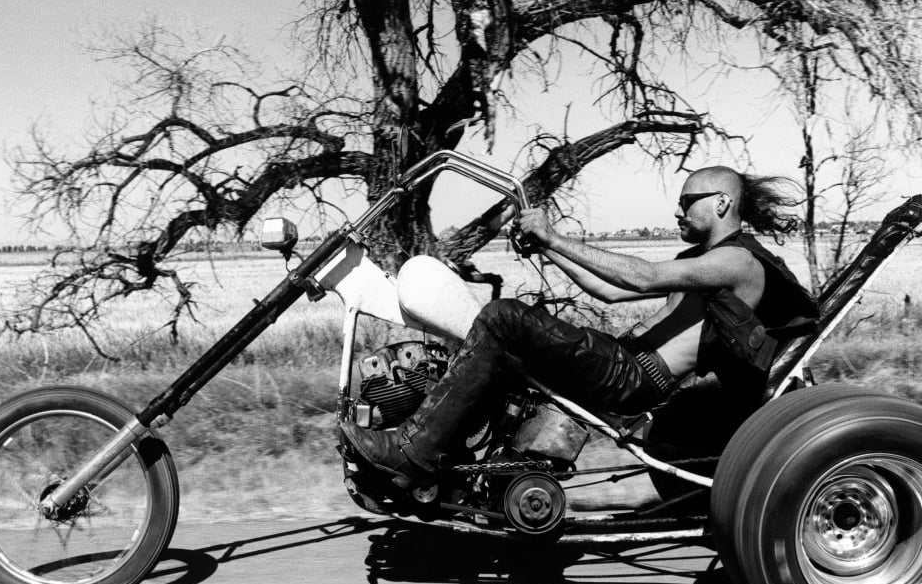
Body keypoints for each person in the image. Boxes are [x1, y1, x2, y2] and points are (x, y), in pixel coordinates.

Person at [340, 165, 818, 490]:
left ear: (721, 202)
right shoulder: (701, 260)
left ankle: (411, 453)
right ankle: (448, 463)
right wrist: (547, 246)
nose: (677, 211)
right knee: (507, 349)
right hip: (625, 360)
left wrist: (555, 235)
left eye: (687, 202)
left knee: (503, 317)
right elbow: (609, 290)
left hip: (638, 376)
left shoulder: (737, 261)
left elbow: (641, 276)